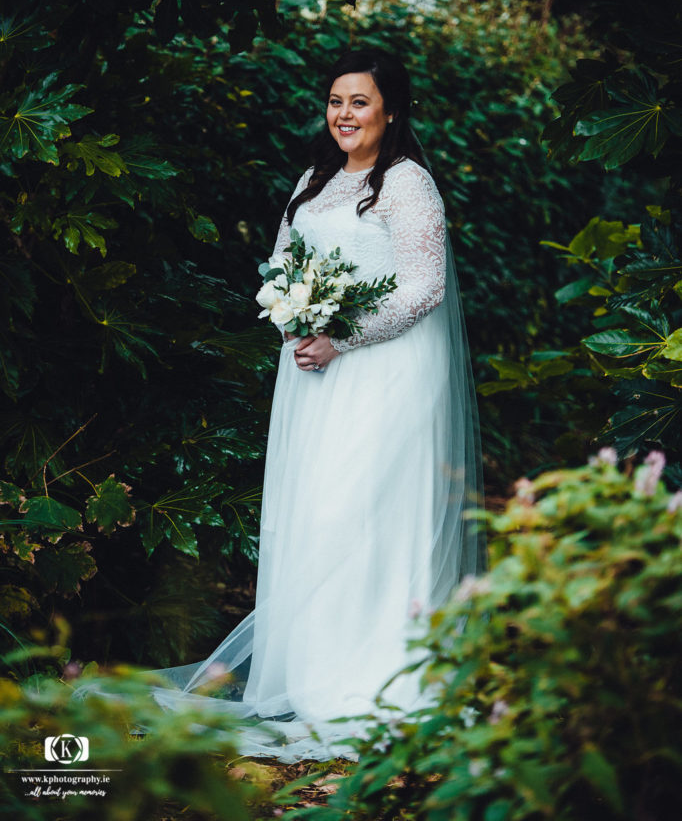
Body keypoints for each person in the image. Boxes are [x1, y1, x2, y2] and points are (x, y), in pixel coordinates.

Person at [73, 48, 485, 763]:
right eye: (335, 101)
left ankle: (367, 678)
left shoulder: (410, 185)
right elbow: (281, 268)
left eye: (359, 102)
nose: (344, 115)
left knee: (364, 512)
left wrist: (341, 335)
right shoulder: (313, 181)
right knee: (314, 509)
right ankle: (307, 670)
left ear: (391, 110)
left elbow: (425, 288)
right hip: (314, 374)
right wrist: (294, 317)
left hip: (385, 374)